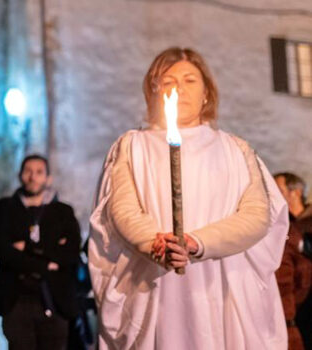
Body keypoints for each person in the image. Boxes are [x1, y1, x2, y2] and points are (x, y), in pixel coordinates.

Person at [89, 47, 289, 349]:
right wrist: (161, 246)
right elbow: (123, 211)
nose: (178, 88)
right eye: (168, 81)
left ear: (207, 92)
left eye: (189, 80)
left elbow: (256, 215)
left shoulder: (235, 150)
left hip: (222, 283)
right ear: (154, 92)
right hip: (157, 282)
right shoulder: (132, 147)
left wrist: (196, 243)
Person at [0, 155, 81, 350]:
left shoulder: (63, 211)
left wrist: (27, 248)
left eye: (39, 172)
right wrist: (48, 260)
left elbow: (72, 252)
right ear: (20, 175)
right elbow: (2, 249)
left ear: (48, 178)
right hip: (16, 300)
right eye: (28, 171)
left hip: (55, 300)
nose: (33, 177)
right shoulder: (5, 208)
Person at [275, 172, 312, 349]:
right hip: (297, 314)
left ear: (296, 192)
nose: (274, 194)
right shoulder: (283, 226)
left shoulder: (304, 225)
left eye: (279, 189)